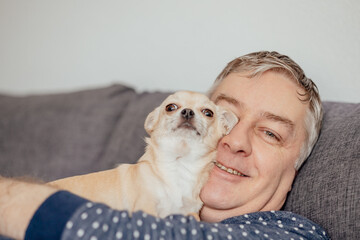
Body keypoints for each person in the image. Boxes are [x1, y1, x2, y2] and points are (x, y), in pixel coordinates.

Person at [0, 51, 329, 240]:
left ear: (295, 166)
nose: (235, 140)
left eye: (270, 132)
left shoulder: (291, 232)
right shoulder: (122, 188)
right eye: (222, 118)